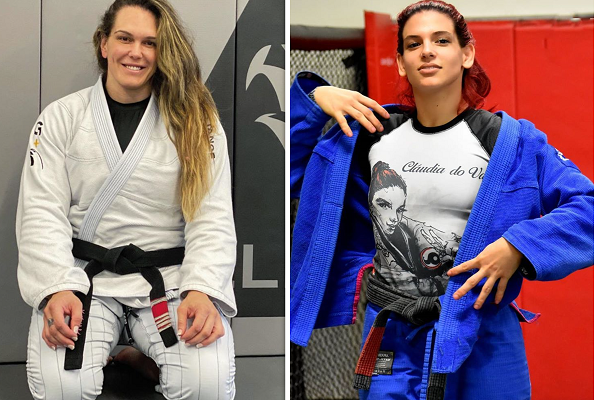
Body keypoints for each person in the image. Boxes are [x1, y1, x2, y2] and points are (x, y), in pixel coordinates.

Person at [290, 1, 594, 399]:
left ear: (466, 54)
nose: (427, 51)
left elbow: (587, 208)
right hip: (392, 332)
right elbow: (290, 176)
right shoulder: (368, 136)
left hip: (484, 331)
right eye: (413, 44)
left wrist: (517, 247)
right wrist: (316, 101)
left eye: (441, 40)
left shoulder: (510, 141)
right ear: (401, 63)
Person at [17, 0, 237, 399]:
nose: (136, 52)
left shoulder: (195, 123)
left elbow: (212, 216)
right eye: (125, 38)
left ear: (163, 51)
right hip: (86, 281)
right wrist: (56, 287)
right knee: (62, 389)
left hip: (168, 282)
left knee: (207, 386)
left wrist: (202, 288)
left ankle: (141, 360)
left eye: (150, 43)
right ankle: (116, 352)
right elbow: (41, 212)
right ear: (104, 44)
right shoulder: (61, 118)